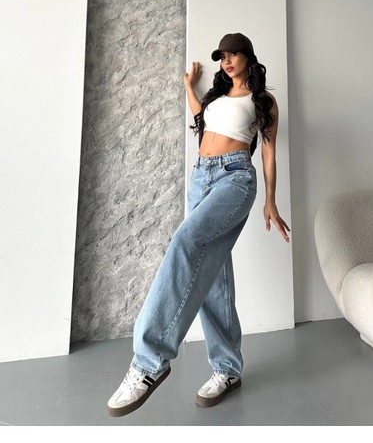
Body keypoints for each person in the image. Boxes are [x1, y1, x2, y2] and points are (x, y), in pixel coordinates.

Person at [107, 32, 291, 417]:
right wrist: (188, 86)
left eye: (233, 54)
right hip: (200, 178)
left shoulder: (262, 101)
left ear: (248, 57)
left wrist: (271, 200)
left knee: (185, 242)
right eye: (222, 56)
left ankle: (148, 361)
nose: (227, 61)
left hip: (235, 178)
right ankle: (227, 369)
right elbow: (201, 122)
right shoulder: (216, 98)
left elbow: (269, 151)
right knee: (214, 275)